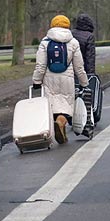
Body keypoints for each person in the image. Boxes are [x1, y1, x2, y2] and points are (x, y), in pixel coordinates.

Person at [32, 15, 89, 144]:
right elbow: (79, 67)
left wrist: (36, 81)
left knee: (52, 105)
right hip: (67, 79)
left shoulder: (45, 42)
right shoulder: (73, 42)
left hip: (49, 79)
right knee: (66, 107)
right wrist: (84, 83)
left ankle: (57, 127)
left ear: (52, 25)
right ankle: (61, 122)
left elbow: (40, 66)